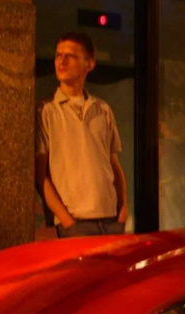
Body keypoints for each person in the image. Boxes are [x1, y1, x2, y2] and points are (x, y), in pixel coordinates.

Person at [37, 32, 128, 237]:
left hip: (111, 220)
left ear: (89, 64)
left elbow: (113, 163)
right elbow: (40, 175)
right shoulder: (46, 111)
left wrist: (123, 210)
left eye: (71, 56)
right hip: (75, 223)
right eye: (59, 55)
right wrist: (67, 221)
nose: (62, 61)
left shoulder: (102, 109)